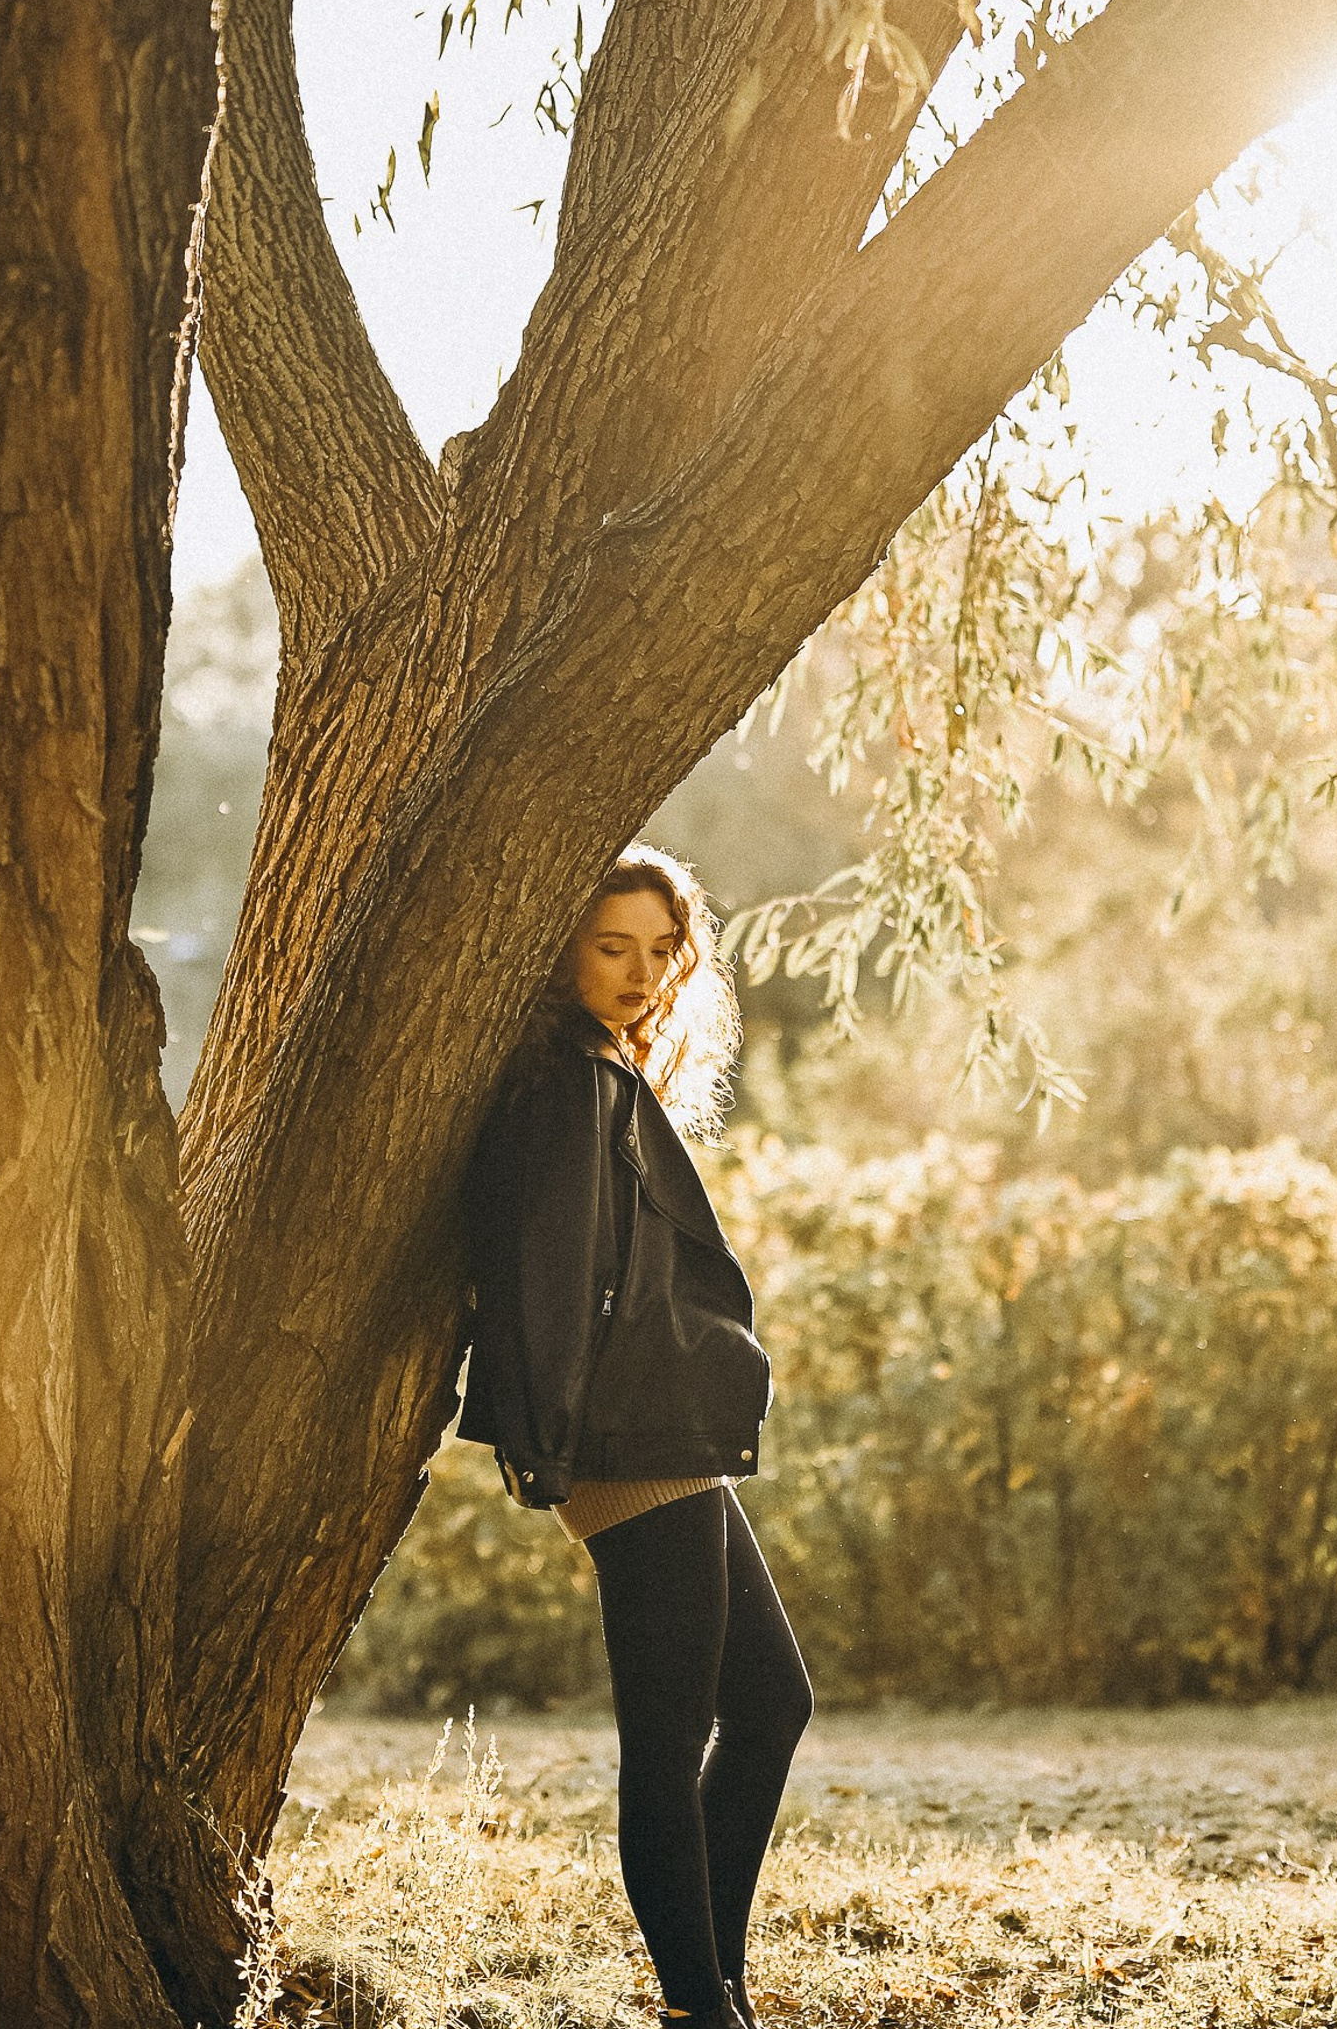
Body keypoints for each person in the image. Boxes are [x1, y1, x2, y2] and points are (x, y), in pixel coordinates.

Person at [459, 845, 811, 2029]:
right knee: (669, 1736)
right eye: (613, 945)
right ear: (562, 945)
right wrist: (546, 1442)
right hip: (616, 1437)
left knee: (769, 1702)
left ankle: (714, 1987)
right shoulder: (569, 1084)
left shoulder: (606, 1069)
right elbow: (547, 1274)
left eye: (661, 950)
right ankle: (701, 2007)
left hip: (662, 1426)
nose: (641, 972)